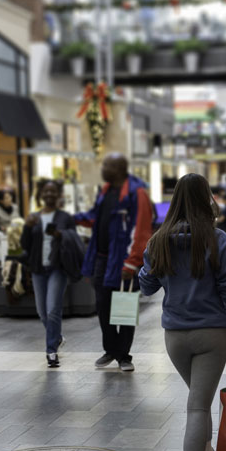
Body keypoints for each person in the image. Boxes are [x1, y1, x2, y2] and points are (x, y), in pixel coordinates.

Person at [138, 173, 226, 451]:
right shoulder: (218, 240)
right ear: (207, 199)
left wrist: (147, 264)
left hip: (175, 337)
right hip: (211, 335)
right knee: (198, 406)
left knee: (197, 399)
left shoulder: (158, 241)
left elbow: (147, 287)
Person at [76, 153, 153, 372]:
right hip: (101, 259)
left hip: (124, 261)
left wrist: (132, 262)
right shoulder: (106, 190)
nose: (103, 168)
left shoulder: (136, 193)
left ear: (120, 168)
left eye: (107, 165)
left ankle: (124, 356)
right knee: (102, 305)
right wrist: (71, 218)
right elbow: (94, 217)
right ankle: (111, 349)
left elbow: (142, 230)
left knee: (125, 307)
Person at [21, 179, 76, 368]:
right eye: (46, 191)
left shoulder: (64, 217)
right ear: (41, 194)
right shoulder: (33, 217)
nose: (49, 195)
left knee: (53, 310)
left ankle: (51, 351)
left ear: (59, 195)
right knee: (42, 312)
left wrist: (62, 235)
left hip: (57, 268)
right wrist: (27, 228)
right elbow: (24, 245)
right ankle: (57, 337)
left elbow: (74, 239)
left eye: (53, 191)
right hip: (37, 269)